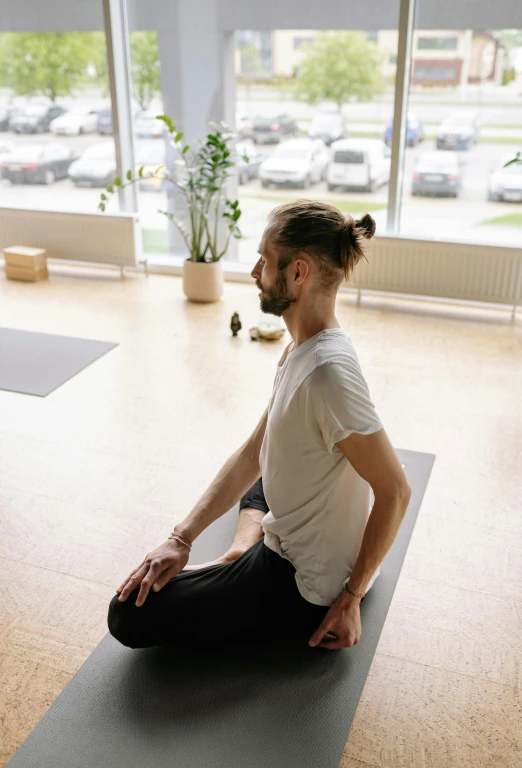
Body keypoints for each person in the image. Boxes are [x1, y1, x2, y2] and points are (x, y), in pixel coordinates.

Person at [108, 200, 411, 651]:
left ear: (298, 272)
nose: (254, 272)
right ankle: (236, 552)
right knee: (264, 469)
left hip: (300, 586)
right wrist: (181, 538)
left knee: (127, 614)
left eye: (265, 260)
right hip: (294, 528)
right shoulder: (300, 348)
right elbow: (254, 451)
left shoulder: (329, 373)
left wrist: (351, 597)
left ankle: (244, 561)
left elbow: (396, 491)